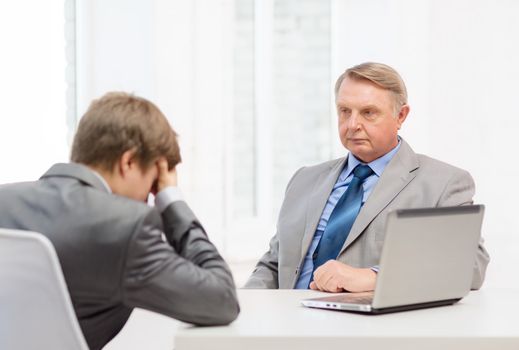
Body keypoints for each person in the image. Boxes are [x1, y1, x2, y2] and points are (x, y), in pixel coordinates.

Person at [0, 92, 239, 350]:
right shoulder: (126, 226)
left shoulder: (5, 201)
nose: (149, 197)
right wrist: (171, 200)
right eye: (152, 185)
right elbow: (221, 299)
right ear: (128, 162)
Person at [245, 62, 489, 292]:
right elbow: (275, 265)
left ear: (401, 116)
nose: (352, 124)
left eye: (368, 112)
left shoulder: (442, 184)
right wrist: (246, 306)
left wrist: (373, 277)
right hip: (287, 328)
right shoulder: (304, 180)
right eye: (344, 111)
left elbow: (470, 266)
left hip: (370, 331)